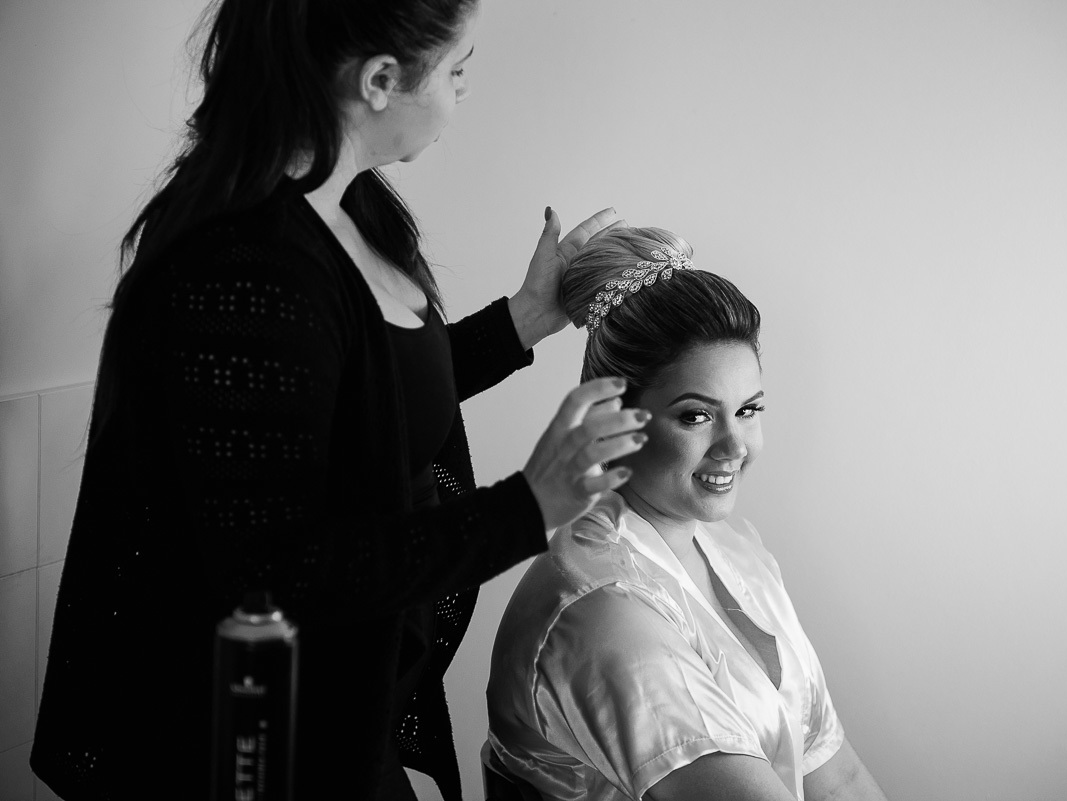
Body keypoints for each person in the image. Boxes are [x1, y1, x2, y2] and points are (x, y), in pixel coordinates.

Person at [30, 2, 650, 800]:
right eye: (457, 71)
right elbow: (277, 571)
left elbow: (360, 408)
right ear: (382, 80)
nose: (465, 93)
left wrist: (527, 318)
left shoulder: (346, 208)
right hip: (254, 749)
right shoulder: (247, 267)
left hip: (341, 718)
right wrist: (527, 506)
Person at [485, 228, 889, 801]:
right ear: (613, 415)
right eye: (696, 416)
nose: (735, 446)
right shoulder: (601, 608)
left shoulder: (733, 547)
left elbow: (838, 775)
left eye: (748, 410)